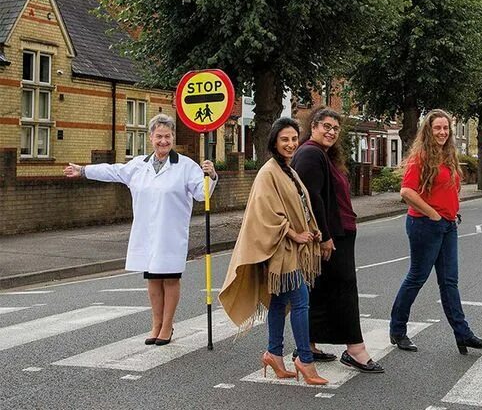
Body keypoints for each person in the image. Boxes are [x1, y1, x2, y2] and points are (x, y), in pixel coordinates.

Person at [63, 113, 216, 345]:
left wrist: (211, 175)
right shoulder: (138, 165)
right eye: (158, 136)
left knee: (170, 279)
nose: (163, 141)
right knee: (153, 279)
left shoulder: (186, 166)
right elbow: (113, 171)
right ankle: (155, 324)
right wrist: (84, 171)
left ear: (173, 137)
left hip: (171, 235)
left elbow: (201, 194)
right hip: (147, 233)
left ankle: (167, 326)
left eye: (167, 136)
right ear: (151, 138)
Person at [219, 118, 327, 386]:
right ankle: (305, 359)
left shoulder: (288, 170)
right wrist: (294, 233)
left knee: (279, 302)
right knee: (300, 301)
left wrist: (311, 229)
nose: (290, 144)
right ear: (274, 143)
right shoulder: (268, 171)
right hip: (280, 252)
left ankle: (274, 354)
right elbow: (265, 213)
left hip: (290, 250)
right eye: (285, 140)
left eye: (293, 139)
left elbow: (301, 205)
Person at [389, 109, 482, 355]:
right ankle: (397, 330)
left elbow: (448, 189)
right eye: (437, 128)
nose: (442, 133)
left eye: (445, 128)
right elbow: (406, 192)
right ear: (428, 130)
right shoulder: (421, 157)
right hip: (425, 225)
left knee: (449, 282)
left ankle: (463, 334)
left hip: (447, 226)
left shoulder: (448, 156)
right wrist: (433, 214)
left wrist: (451, 211)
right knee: (417, 277)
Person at [291, 107, 384, 373]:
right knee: (345, 290)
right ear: (313, 127)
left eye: (335, 128)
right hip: (333, 234)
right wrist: (325, 236)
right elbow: (313, 198)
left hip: (337, 232)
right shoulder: (310, 153)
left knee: (320, 289)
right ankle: (355, 349)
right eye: (326, 126)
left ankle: (307, 343)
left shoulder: (323, 155)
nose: (331, 132)